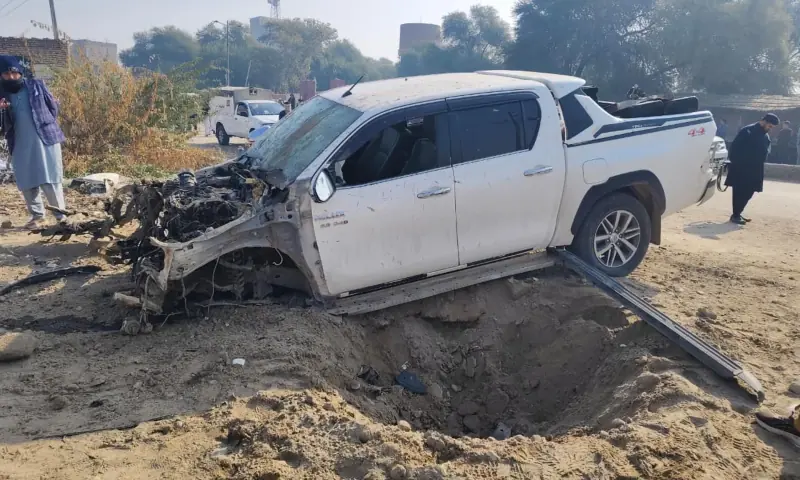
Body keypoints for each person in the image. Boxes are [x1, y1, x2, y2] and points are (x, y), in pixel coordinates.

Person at [0, 56, 67, 230]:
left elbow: (53, 108)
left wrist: (47, 122)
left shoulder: (36, 85)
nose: (12, 77)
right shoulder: (2, 95)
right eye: (7, 74)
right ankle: (38, 217)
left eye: (14, 72)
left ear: (20, 72)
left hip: (46, 138)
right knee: (26, 179)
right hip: (19, 141)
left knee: (50, 178)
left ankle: (61, 217)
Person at [724, 113, 779, 225]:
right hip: (742, 168)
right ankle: (735, 215)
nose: (770, 129)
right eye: (770, 126)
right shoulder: (747, 131)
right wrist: (737, 162)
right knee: (739, 191)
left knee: (750, 191)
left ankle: (738, 213)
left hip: (756, 169)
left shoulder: (765, 135)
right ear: (764, 121)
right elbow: (734, 148)